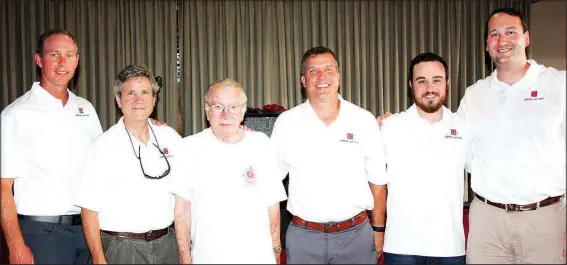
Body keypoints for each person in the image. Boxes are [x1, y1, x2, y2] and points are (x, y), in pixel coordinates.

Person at [456, 8, 565, 264]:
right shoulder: (474, 95)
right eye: (494, 34)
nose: (502, 40)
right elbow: (450, 141)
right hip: (487, 221)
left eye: (510, 32)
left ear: (526, 38)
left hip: (546, 219)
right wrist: (393, 123)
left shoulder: (559, 85)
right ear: (487, 45)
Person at [270, 46, 389, 264]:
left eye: (328, 69)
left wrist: (379, 230)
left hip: (356, 237)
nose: (322, 77)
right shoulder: (286, 123)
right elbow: (269, 183)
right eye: (313, 71)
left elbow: (378, 183)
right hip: (303, 239)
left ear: (339, 77)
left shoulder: (363, 120)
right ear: (303, 80)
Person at [0, 28, 102, 264]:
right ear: (39, 59)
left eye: (69, 54)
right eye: (54, 55)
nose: (62, 62)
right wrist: (15, 244)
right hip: (41, 234)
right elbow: (3, 186)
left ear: (77, 60)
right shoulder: (15, 114)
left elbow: (103, 161)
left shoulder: (86, 109)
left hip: (86, 230)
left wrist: (145, 125)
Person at [170, 78, 287, 264]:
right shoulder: (188, 148)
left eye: (233, 107)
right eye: (218, 107)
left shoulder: (262, 145)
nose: (226, 114)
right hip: (206, 258)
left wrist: (276, 252)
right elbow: (181, 212)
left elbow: (273, 208)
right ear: (207, 111)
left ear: (243, 111)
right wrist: (185, 259)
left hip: (258, 258)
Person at [75, 65, 181, 264]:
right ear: (118, 100)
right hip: (121, 248)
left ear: (154, 99)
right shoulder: (103, 146)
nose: (138, 100)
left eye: (144, 93)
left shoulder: (170, 138)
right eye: (130, 93)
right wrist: (98, 258)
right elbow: (88, 210)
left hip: (168, 245)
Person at [380, 52, 469, 264]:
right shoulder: (390, 127)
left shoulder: (464, 126)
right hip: (401, 247)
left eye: (436, 80)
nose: (430, 88)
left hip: (450, 248)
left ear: (447, 83)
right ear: (411, 85)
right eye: (422, 81)